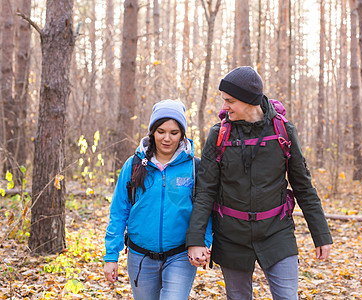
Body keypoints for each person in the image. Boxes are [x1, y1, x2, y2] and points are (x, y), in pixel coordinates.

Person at [186, 66, 333, 300]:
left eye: (230, 101)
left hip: (277, 231)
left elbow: (303, 186)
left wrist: (321, 235)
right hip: (231, 234)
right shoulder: (219, 134)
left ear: (249, 101)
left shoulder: (283, 131)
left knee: (287, 296)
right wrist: (195, 240)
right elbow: (205, 190)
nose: (224, 107)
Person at [104, 99, 212, 300]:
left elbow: (204, 208)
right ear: (152, 131)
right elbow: (119, 212)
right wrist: (111, 255)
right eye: (161, 131)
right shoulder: (135, 164)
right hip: (140, 257)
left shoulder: (195, 167)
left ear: (182, 134)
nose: (167, 138)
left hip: (180, 255)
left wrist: (203, 242)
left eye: (174, 132)